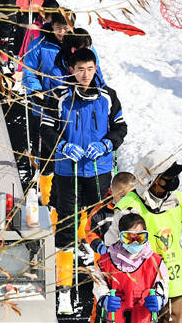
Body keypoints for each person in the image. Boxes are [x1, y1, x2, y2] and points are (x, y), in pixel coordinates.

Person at [38, 48, 127, 317]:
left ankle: (108, 284)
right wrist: (63, 146)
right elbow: (46, 128)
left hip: (98, 170)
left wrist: (107, 143)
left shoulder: (108, 96)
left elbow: (120, 127)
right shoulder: (59, 97)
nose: (85, 75)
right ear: (71, 70)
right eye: (80, 69)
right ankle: (64, 292)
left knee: (103, 223)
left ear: (96, 67)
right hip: (68, 172)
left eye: (90, 69)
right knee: (65, 225)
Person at [119, 153, 182, 323]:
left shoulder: (180, 201)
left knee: (174, 319)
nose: (172, 181)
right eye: (167, 177)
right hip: (142, 278)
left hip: (175, 274)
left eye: (174, 176)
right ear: (150, 180)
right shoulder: (129, 206)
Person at [87, 210, 168, 323]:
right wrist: (104, 298)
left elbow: (163, 286)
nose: (135, 243)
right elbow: (99, 285)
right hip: (116, 318)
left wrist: (159, 299)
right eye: (129, 238)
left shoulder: (155, 262)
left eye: (140, 238)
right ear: (120, 237)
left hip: (143, 318)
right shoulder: (106, 262)